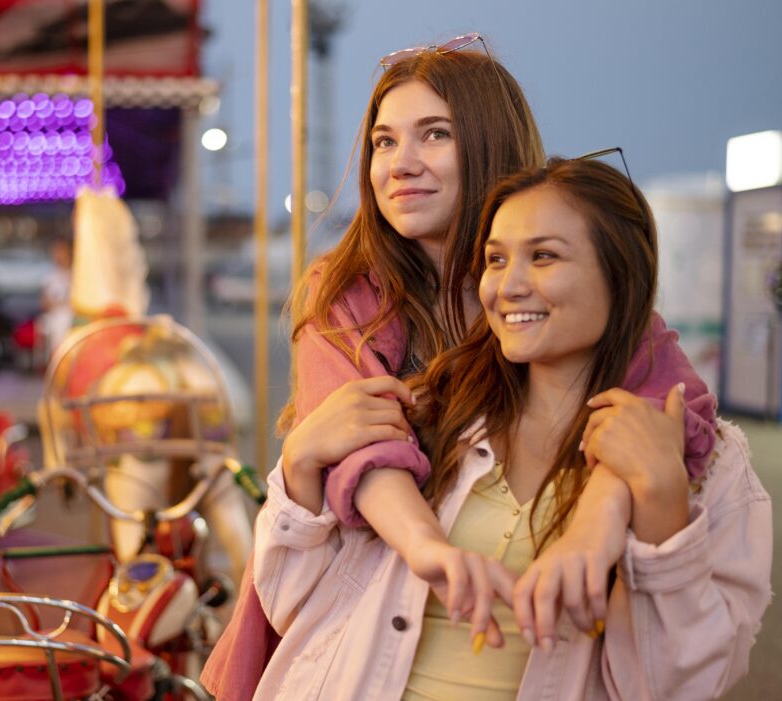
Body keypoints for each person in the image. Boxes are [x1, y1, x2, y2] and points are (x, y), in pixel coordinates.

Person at [201, 38, 716, 698]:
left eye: (434, 134)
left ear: (490, 142)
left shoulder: (562, 298)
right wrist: (429, 548)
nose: (400, 164)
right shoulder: (346, 290)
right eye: (384, 142)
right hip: (351, 625)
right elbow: (365, 446)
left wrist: (595, 518)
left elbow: (670, 412)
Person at [251, 157, 771, 700]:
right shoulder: (429, 412)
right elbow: (293, 603)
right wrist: (299, 468)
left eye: (543, 256)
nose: (508, 286)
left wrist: (662, 507)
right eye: (496, 260)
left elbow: (683, 686)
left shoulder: (709, 466)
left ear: (621, 275)